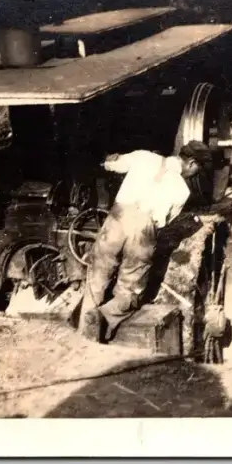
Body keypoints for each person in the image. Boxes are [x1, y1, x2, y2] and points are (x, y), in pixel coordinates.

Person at [78, 141, 215, 343]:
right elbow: (162, 223)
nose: (194, 175)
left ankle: (84, 327)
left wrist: (108, 162)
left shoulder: (143, 156)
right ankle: (104, 317)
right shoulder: (182, 191)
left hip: (115, 218)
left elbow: (110, 165)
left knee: (97, 274)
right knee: (131, 289)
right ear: (192, 163)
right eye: (197, 170)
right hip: (143, 229)